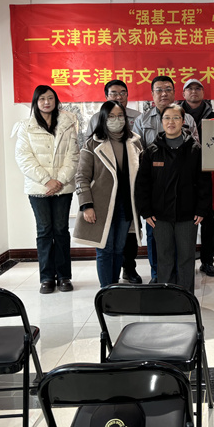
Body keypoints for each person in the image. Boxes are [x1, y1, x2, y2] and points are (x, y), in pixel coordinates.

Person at [135, 104, 212, 292]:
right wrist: (146, 211)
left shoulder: (195, 150)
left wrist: (202, 209)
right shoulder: (152, 151)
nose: (171, 122)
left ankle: (186, 297)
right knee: (164, 257)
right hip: (159, 216)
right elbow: (142, 184)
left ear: (183, 121)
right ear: (161, 122)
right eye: (167, 118)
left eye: (176, 118)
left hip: (188, 215)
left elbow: (204, 183)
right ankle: (167, 297)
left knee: (186, 257)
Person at [132, 76, 199, 282]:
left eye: (168, 89)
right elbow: (138, 160)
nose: (163, 94)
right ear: (152, 94)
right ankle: (159, 279)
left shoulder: (189, 124)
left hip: (184, 199)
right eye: (159, 90)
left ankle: (183, 285)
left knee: (184, 249)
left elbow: (199, 169)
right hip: (158, 198)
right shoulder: (142, 122)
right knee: (160, 247)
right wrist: (145, 208)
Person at [13, 85, 79, 294]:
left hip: (63, 187)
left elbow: (73, 155)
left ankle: (64, 276)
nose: (46, 102)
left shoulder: (68, 123)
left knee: (61, 230)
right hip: (38, 187)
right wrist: (47, 180)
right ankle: (47, 278)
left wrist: (59, 180)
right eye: (42, 99)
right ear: (36, 102)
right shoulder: (25, 127)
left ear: (56, 100)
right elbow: (24, 158)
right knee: (44, 230)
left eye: (50, 98)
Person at [73, 101, 144, 288]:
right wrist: (86, 205)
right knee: (105, 249)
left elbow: (143, 176)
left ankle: (115, 288)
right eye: (111, 116)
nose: (116, 120)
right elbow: (81, 177)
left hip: (126, 205)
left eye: (120, 116)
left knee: (119, 249)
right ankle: (107, 290)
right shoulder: (92, 143)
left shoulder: (135, 142)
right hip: (101, 206)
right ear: (103, 118)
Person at [179, 78, 214, 277]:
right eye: (190, 89)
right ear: (183, 94)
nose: (193, 92)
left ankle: (207, 261)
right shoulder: (175, 115)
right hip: (181, 176)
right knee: (184, 221)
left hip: (206, 174)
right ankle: (184, 261)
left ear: (203, 93)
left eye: (198, 88)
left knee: (208, 220)